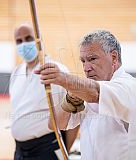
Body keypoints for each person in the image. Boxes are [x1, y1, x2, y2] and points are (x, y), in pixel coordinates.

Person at [35, 30, 136, 160]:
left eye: (92, 59)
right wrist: (69, 99)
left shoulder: (128, 86)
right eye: (83, 61)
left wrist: (63, 79)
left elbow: (96, 93)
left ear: (114, 57)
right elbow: (55, 124)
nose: (86, 68)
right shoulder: (88, 90)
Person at [9, 23, 79, 160]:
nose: (23, 44)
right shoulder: (16, 72)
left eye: (28, 38)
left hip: (47, 148)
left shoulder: (56, 70)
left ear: (39, 39)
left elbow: (74, 116)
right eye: (19, 41)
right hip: (20, 150)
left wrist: (63, 152)